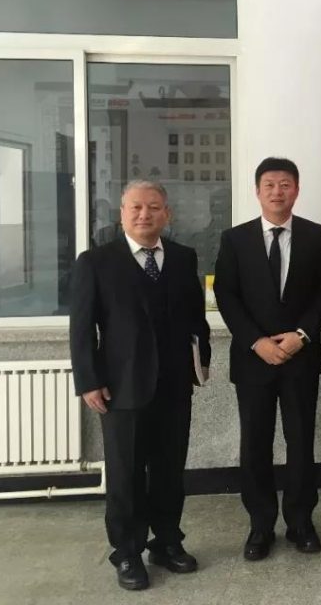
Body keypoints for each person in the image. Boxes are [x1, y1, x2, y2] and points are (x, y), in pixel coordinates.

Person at [70, 180, 210, 591]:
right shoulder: (96, 261)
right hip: (121, 386)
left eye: (153, 207)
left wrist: (201, 363)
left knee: (169, 469)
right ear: (122, 214)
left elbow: (196, 318)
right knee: (126, 472)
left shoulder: (183, 257)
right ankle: (127, 551)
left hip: (174, 385)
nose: (144, 214)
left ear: (167, 213)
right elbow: (82, 327)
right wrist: (89, 380)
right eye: (135, 207)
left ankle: (166, 542)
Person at [213, 157, 321, 561]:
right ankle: (260, 526)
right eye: (269, 185)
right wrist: (255, 341)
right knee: (255, 445)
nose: (277, 191)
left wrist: (303, 335)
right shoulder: (235, 239)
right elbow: (226, 295)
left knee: (301, 443)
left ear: (296, 190)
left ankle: (301, 522)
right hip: (254, 361)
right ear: (257, 191)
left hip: (300, 358)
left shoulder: (316, 236)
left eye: (285, 184)